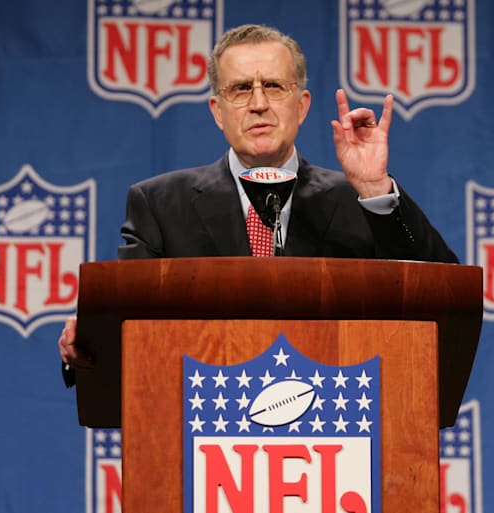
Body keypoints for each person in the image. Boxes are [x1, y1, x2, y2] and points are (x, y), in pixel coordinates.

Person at [58, 24, 458, 381]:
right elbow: (122, 329)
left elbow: (444, 299)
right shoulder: (161, 205)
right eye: (240, 89)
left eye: (274, 86)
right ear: (218, 111)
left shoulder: (360, 200)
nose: (258, 103)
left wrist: (374, 188)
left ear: (301, 105)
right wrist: (89, 338)